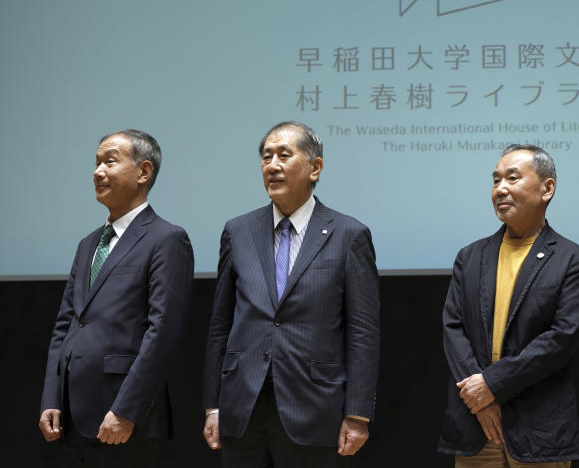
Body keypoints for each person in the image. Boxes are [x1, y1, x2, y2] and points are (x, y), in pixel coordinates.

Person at [203, 121, 379, 466]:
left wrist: (358, 413)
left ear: (315, 168)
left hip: (313, 408)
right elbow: (220, 324)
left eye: (284, 155)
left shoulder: (349, 234)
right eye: (266, 157)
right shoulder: (237, 231)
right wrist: (213, 404)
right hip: (242, 407)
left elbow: (363, 332)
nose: (273, 165)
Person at [39, 129, 195, 466]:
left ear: (143, 172)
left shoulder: (167, 239)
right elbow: (66, 324)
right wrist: (52, 397)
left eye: (110, 161)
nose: (98, 172)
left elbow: (163, 333)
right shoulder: (88, 244)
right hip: (71, 416)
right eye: (96, 164)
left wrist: (127, 409)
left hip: (123, 420)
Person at [439, 144, 579, 467]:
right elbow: (453, 328)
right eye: (495, 181)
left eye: (512, 178)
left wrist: (492, 384)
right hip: (476, 424)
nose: (500, 189)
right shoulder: (471, 256)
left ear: (547, 188)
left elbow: (562, 339)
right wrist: (479, 398)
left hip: (539, 426)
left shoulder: (570, 259)